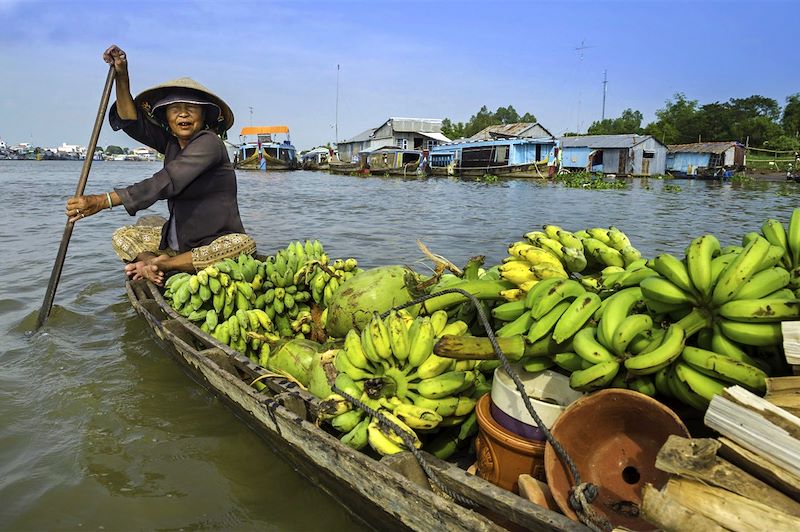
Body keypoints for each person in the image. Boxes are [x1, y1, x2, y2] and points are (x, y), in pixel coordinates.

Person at [65, 45, 255, 286]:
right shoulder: (172, 143)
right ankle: (149, 261)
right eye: (175, 109)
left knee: (242, 245)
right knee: (124, 235)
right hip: (179, 242)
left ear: (204, 116)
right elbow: (130, 120)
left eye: (191, 109)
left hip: (213, 241)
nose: (183, 115)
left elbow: (167, 180)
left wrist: (103, 201)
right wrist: (122, 75)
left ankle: (163, 264)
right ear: (166, 117)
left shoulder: (209, 143)